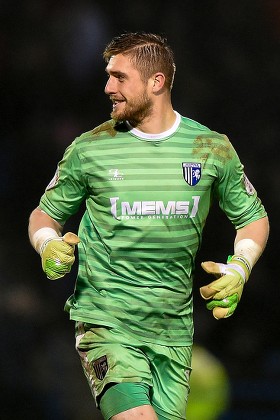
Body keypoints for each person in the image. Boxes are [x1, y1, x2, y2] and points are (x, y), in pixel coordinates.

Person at [28, 32, 269, 420]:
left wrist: (241, 266)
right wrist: (46, 242)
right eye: (108, 76)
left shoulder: (210, 148)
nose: (108, 87)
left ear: (156, 81)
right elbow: (44, 214)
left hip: (173, 331)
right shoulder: (88, 149)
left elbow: (253, 217)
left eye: (120, 77)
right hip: (107, 320)